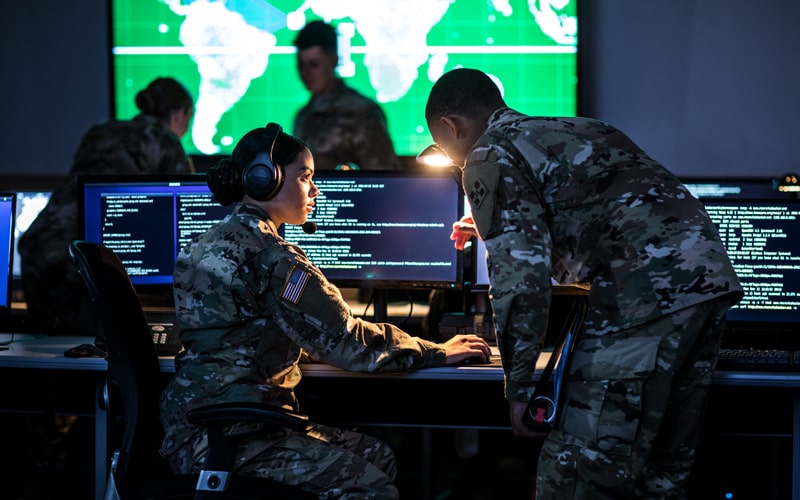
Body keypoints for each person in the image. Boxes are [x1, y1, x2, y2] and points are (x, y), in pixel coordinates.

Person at [423, 68, 743, 499]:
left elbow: (522, 281)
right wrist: (498, 223)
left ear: (451, 126)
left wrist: (519, 388)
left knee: (576, 470)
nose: (459, 163)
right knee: (661, 470)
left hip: (642, 294)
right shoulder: (580, 127)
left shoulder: (488, 153)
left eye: (451, 154)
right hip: (707, 282)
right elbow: (610, 211)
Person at [159, 123, 491, 498]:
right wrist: (439, 351)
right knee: (372, 487)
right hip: (234, 436)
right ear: (264, 179)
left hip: (194, 427)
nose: (315, 190)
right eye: (305, 177)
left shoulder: (202, 243)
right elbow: (347, 340)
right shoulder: (273, 259)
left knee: (376, 455)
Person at [18, 76, 195, 335]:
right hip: (82, 256)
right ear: (180, 113)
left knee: (49, 351)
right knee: (100, 346)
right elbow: (186, 200)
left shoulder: (100, 130)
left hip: (39, 241)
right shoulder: (163, 140)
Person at [292, 19, 403, 171]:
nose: (306, 73)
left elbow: (383, 176)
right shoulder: (303, 116)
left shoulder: (362, 112)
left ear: (334, 60)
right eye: (301, 65)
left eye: (314, 64)